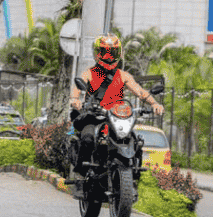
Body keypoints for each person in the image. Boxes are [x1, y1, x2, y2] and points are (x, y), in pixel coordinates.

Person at [69, 34, 164, 171]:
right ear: (97, 53)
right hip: (94, 116)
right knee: (88, 138)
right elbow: (77, 89)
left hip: (116, 117)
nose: (108, 57)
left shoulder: (124, 76)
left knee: (135, 140)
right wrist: (75, 100)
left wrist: (154, 103)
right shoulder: (89, 73)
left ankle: (135, 171)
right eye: (104, 52)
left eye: (112, 52)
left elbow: (140, 92)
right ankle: (81, 171)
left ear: (118, 53)